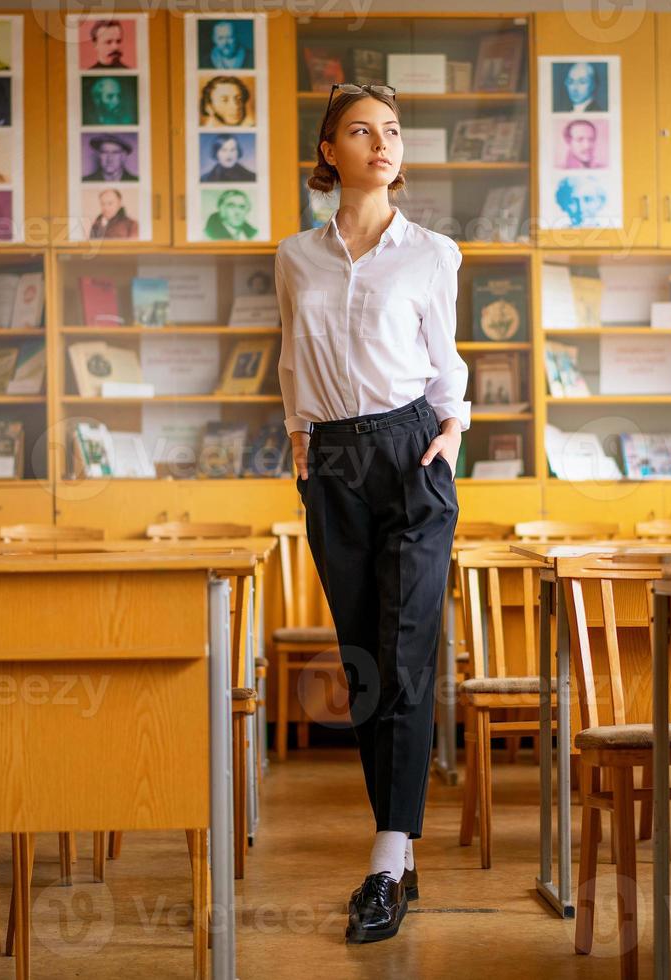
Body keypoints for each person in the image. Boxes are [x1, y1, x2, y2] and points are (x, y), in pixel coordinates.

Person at [274, 81, 467, 946]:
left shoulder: (432, 253)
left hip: (409, 448)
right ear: (329, 152)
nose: (381, 143)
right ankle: (396, 847)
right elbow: (291, 354)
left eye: (391, 130)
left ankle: (387, 859)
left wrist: (450, 430)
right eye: (361, 130)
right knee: (363, 659)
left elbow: (442, 359)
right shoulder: (294, 257)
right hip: (333, 457)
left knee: (404, 646)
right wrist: (297, 438)